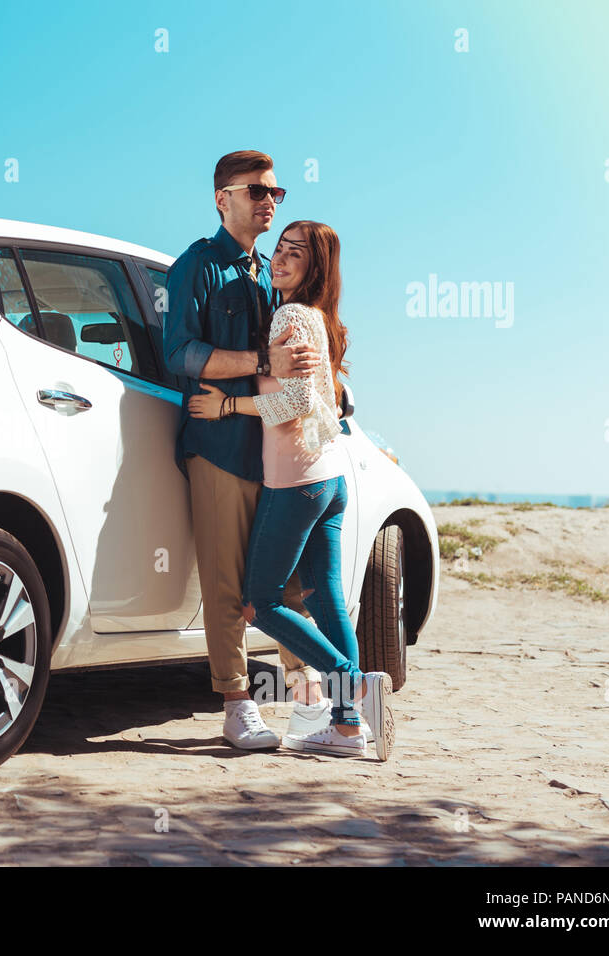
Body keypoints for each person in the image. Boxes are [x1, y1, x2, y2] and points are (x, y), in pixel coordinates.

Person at [188, 219, 394, 760]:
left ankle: (354, 683)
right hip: (328, 481)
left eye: (295, 253)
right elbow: (325, 398)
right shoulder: (319, 319)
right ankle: (348, 729)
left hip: (297, 482)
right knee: (326, 600)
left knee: (260, 602)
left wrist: (227, 405)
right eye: (279, 248)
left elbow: (296, 404)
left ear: (314, 267)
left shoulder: (291, 315)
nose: (280, 258)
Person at [162, 150, 343, 750]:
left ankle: (314, 705)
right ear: (223, 199)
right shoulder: (197, 265)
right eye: (258, 191)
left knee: (285, 590)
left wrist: (332, 384)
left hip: (276, 454)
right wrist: (263, 362)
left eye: (276, 193)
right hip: (217, 444)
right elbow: (180, 354)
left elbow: (298, 370)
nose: (269, 201)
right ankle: (237, 704)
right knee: (226, 584)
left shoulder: (271, 272)